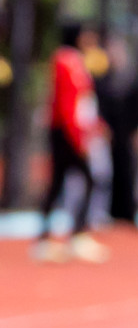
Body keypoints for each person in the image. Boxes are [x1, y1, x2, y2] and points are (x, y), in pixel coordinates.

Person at [33, 24, 109, 263]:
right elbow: (68, 103)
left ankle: (51, 237)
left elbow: (83, 102)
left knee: (61, 183)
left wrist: (95, 126)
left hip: (71, 131)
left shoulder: (77, 61)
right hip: (65, 132)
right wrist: (78, 138)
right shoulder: (66, 61)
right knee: (81, 180)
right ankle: (71, 235)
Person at [97, 35, 138, 226]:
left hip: (128, 131)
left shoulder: (132, 78)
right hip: (111, 133)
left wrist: (137, 130)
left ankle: (129, 211)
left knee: (130, 171)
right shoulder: (104, 79)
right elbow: (100, 107)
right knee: (110, 173)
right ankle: (112, 211)